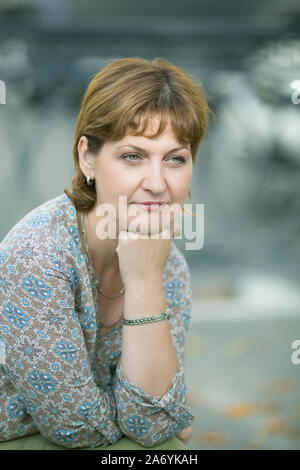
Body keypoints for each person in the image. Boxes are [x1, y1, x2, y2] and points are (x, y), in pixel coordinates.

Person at [0, 57, 210, 448]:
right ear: (87, 158)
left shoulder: (169, 263)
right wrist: (163, 416)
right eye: (133, 156)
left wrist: (145, 279)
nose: (157, 183)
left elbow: (152, 424)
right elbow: (76, 427)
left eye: (175, 158)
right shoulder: (38, 256)